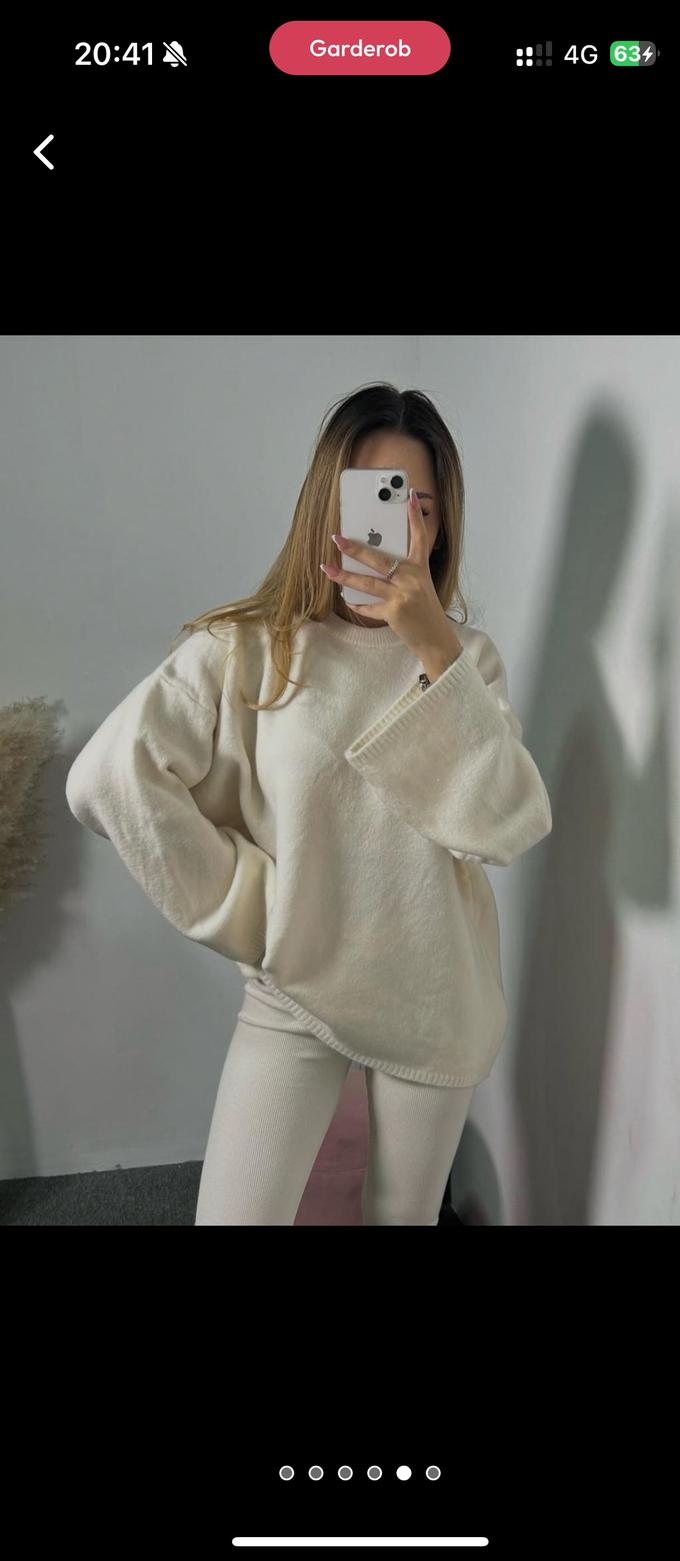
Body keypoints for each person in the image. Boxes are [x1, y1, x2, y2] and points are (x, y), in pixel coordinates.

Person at [65, 381, 553, 1225]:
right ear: (328, 506)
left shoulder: (467, 660)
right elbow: (109, 777)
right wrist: (247, 905)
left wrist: (434, 647)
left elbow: (506, 824)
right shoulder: (253, 647)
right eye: (376, 497)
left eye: (420, 506)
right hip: (296, 986)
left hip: (435, 993)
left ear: (441, 525)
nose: (398, 525)